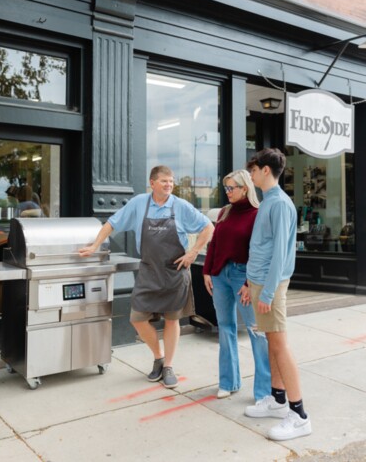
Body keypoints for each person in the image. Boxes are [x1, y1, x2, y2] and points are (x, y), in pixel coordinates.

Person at [79, 165, 214, 389]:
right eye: (164, 181)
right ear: (152, 183)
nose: (169, 185)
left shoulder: (180, 206)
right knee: (137, 318)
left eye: (171, 181)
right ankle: (158, 356)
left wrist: (192, 253)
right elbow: (112, 222)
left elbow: (208, 227)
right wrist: (94, 246)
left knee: (172, 320)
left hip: (175, 271)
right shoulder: (139, 203)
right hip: (149, 270)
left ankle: (168, 366)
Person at [243, 148, 311, 441]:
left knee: (280, 345)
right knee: (271, 342)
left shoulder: (280, 205)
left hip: (271, 286)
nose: (251, 175)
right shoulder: (268, 201)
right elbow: (262, 248)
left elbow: (282, 253)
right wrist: (250, 284)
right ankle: (278, 399)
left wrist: (268, 292)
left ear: (266, 170)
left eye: (254, 170)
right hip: (259, 283)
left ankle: (299, 415)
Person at [203, 169, 271, 400]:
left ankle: (263, 391)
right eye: (226, 188)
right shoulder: (224, 212)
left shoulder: (258, 214)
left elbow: (260, 251)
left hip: (244, 276)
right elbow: (214, 243)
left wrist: (249, 282)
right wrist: (207, 271)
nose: (228, 192)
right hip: (220, 275)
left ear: (245, 188)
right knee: (225, 327)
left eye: (232, 188)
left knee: (256, 331)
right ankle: (228, 381)